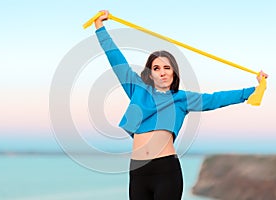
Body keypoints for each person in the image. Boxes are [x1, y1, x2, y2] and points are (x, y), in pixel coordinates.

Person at [93, 10, 268, 200]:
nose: (162, 72)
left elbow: (216, 99)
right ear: (150, 73)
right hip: (138, 171)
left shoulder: (181, 98)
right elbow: (116, 60)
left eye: (167, 68)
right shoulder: (137, 90)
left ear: (174, 72)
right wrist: (100, 28)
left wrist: (253, 90)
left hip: (166, 170)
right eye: (156, 68)